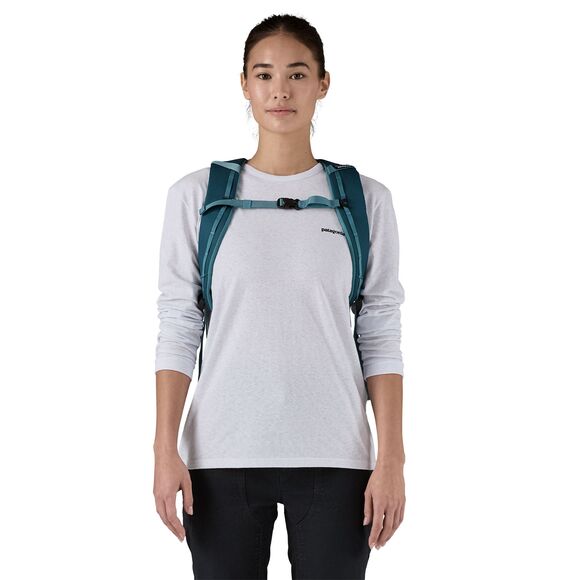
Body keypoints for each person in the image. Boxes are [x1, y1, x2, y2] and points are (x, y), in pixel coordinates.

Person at [153, 13, 406, 579]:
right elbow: (179, 323)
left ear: (323, 83)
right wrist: (163, 449)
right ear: (244, 84)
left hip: (336, 455)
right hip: (220, 454)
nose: (280, 91)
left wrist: (392, 458)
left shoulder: (365, 200)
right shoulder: (197, 197)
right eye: (264, 75)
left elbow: (380, 329)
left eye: (297, 74)